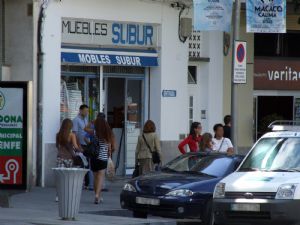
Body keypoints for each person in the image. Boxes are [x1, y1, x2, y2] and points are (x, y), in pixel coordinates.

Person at [55, 118, 82, 201]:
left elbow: (57, 146)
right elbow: (75, 147)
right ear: (70, 126)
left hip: (60, 158)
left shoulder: (58, 134)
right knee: (69, 178)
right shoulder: (71, 135)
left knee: (60, 178)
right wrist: (82, 150)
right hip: (69, 159)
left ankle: (58, 196)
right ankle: (67, 195)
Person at [91, 117, 115, 204]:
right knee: (100, 177)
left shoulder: (94, 132)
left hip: (94, 158)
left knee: (95, 177)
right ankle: (97, 195)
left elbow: (84, 129)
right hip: (103, 158)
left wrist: (91, 122)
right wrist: (109, 154)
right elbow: (109, 146)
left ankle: (97, 195)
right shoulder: (107, 133)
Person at [73, 104, 90, 189]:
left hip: (86, 144)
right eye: (85, 111)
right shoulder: (76, 120)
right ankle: (82, 183)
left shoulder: (86, 120)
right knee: (82, 163)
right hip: (80, 145)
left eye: (87, 111)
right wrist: (77, 146)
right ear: (80, 111)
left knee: (86, 164)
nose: (87, 112)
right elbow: (75, 133)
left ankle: (86, 183)